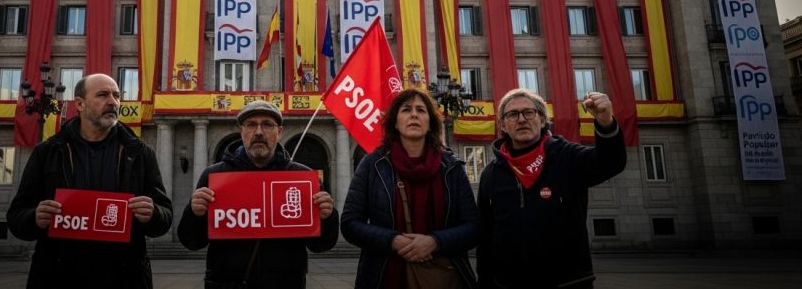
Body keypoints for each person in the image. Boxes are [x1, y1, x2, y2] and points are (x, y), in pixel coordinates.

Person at [7, 73, 173, 289]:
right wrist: (34, 217)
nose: (113, 102)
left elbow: (165, 216)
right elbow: (16, 216)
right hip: (59, 276)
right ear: (80, 104)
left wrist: (153, 214)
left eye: (116, 95)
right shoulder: (47, 152)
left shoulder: (140, 153)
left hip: (124, 277)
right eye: (103, 95)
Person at [177, 100, 339, 288]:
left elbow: (321, 246)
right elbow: (192, 242)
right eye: (251, 125)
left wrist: (327, 217)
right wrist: (195, 213)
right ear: (241, 131)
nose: (259, 132)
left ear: (279, 132)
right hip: (226, 284)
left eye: (267, 125)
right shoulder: (214, 175)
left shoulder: (302, 177)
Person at [476, 89, 627, 289]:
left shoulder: (567, 157)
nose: (521, 119)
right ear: (503, 125)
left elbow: (611, 162)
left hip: (568, 283)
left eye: (528, 112)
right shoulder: (491, 174)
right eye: (512, 114)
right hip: (507, 284)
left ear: (541, 119)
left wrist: (606, 122)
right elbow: (485, 236)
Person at [341, 88, 479, 288]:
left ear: (430, 122)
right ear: (395, 123)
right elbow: (350, 223)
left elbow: (473, 226)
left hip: (443, 276)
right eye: (406, 109)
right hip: (383, 276)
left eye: (421, 110)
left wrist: (435, 242)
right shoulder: (373, 165)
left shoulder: (452, 168)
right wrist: (392, 240)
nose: (414, 114)